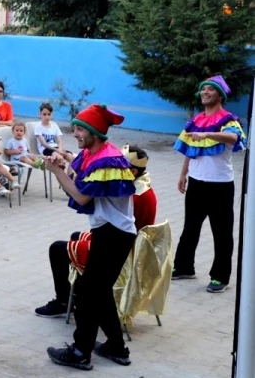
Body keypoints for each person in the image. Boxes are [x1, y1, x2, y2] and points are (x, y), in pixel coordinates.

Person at [42, 105, 138, 371]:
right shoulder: (94, 154)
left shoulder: (108, 158)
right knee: (99, 290)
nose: (76, 133)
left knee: (86, 292)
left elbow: (82, 195)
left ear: (95, 132)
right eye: (75, 128)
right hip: (109, 232)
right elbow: (83, 177)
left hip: (114, 234)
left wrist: (57, 172)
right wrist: (65, 165)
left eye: (81, 129)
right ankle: (116, 347)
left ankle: (80, 352)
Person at [36, 144, 157, 318]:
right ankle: (77, 295)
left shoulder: (125, 189)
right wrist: (69, 164)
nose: (112, 167)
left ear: (133, 171)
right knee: (76, 236)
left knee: (57, 249)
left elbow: (82, 197)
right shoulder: (138, 184)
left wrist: (60, 172)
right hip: (126, 241)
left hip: (120, 248)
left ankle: (66, 300)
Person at [172, 75, 246, 293]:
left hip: (220, 185)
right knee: (190, 228)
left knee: (221, 232)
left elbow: (233, 139)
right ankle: (184, 267)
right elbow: (190, 149)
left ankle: (220, 277)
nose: (205, 92)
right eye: (203, 89)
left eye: (210, 89)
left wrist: (207, 134)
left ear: (219, 95)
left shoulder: (228, 120)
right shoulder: (196, 120)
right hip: (196, 182)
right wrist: (183, 173)